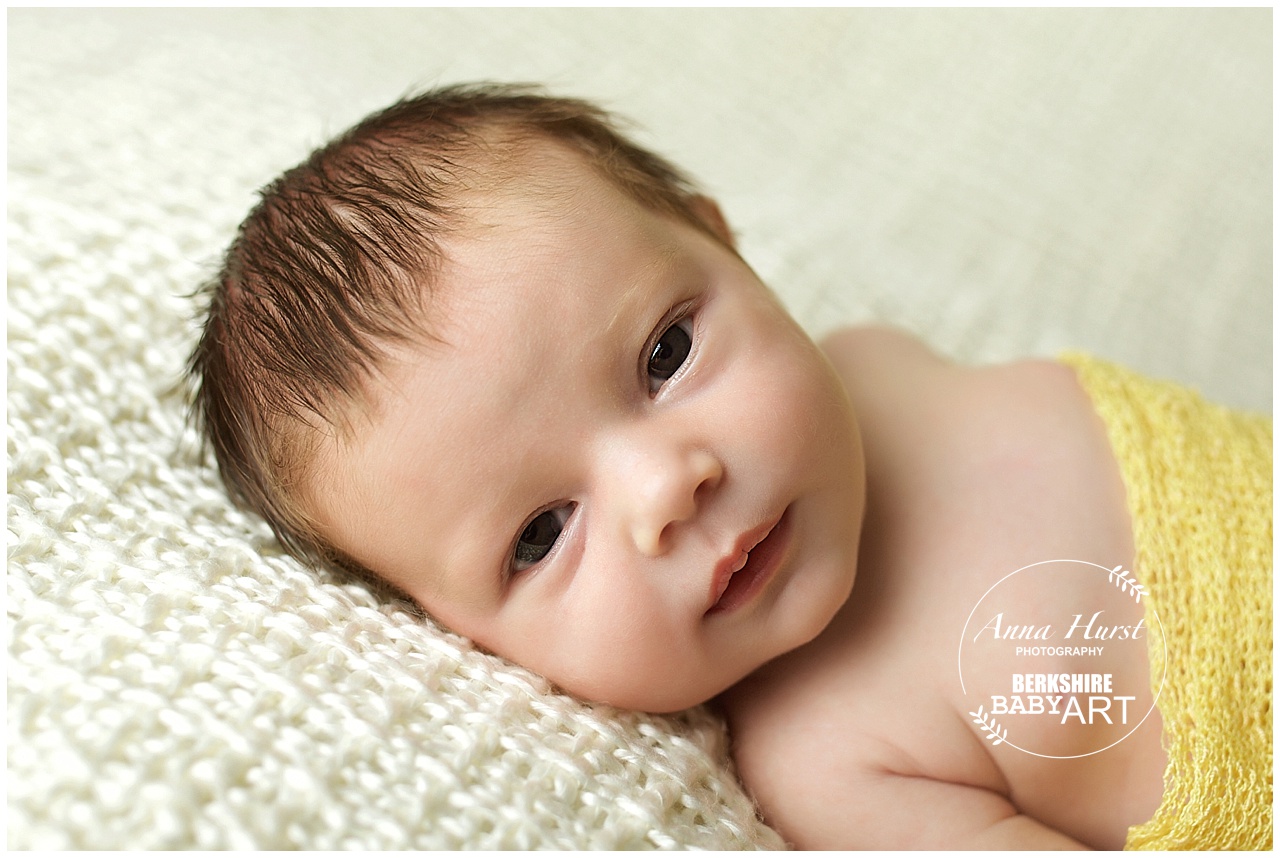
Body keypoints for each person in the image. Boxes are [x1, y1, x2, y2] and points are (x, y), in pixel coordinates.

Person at [187, 83, 1271, 850]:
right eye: (539, 534)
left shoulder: (876, 361)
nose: (666, 490)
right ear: (461, 636)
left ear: (726, 247)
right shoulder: (829, 767)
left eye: (665, 355)